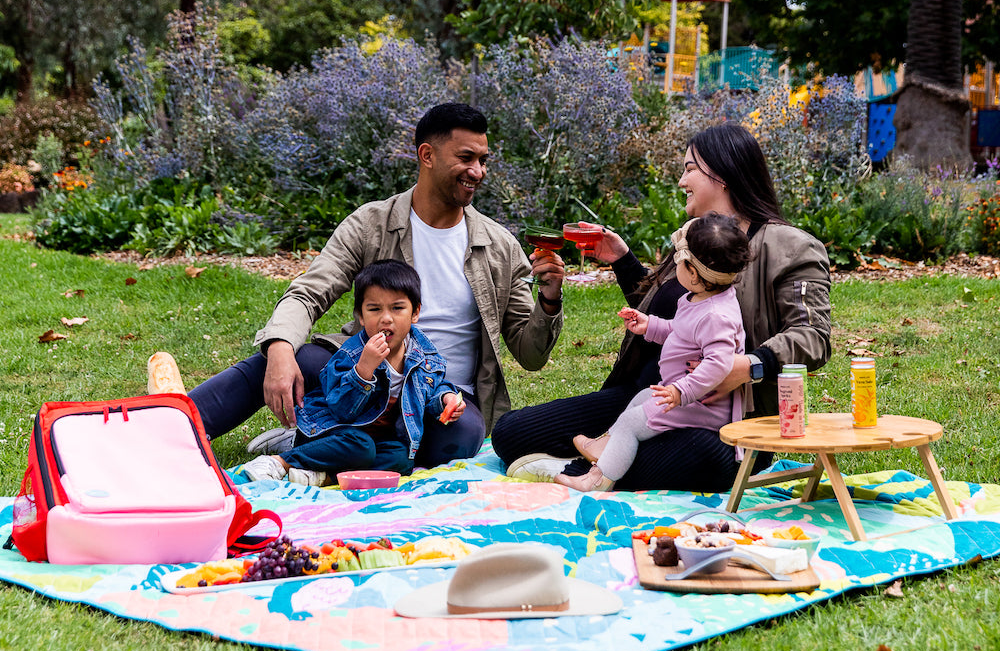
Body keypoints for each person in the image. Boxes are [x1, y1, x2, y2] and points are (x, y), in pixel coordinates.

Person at [189, 102, 565, 467]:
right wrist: (280, 350)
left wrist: (548, 300)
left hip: (442, 399)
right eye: (466, 158)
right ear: (427, 155)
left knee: (462, 438)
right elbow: (308, 292)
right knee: (295, 358)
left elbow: (530, 355)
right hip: (364, 381)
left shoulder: (499, 245)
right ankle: (173, 425)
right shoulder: (371, 224)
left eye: (483, 161)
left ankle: (320, 437)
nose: (478, 171)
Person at [492, 123, 831, 493]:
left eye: (689, 169)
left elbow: (812, 336)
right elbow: (671, 315)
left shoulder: (791, 247)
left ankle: (584, 469)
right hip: (647, 397)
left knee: (705, 456)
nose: (682, 181)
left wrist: (747, 366)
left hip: (716, 417)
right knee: (512, 433)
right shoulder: (693, 239)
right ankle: (599, 462)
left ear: (723, 174)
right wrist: (621, 259)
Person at [555, 212, 750, 493]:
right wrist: (650, 326)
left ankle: (597, 479)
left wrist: (682, 391)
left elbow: (719, 364)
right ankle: (605, 445)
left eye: (678, 262)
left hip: (704, 407)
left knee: (634, 422)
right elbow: (681, 332)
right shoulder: (705, 299)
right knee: (642, 398)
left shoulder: (716, 315)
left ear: (693, 273)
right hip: (683, 395)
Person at [243, 260, 466, 486]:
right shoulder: (351, 355)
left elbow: (433, 387)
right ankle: (281, 461)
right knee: (361, 447)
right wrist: (364, 370)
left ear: (415, 312)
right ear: (361, 315)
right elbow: (341, 410)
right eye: (374, 309)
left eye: (397, 308)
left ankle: (323, 476)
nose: (386, 318)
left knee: (401, 457)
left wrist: (445, 399)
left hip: (375, 440)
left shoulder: (425, 356)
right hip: (334, 430)